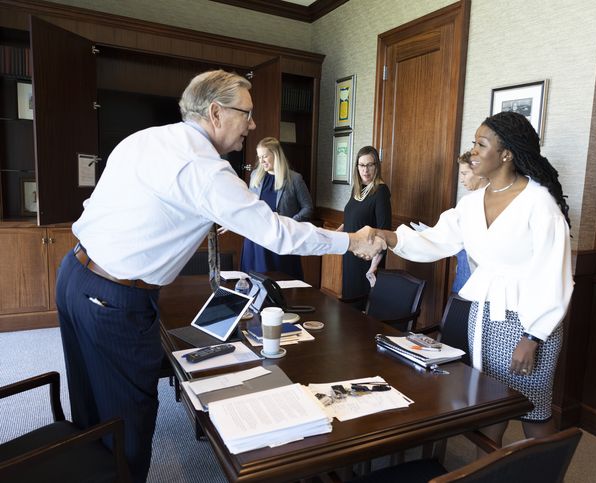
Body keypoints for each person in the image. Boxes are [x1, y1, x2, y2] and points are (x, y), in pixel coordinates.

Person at [54, 69, 382, 483]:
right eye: (246, 112)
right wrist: (350, 241)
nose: (253, 124)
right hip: (113, 297)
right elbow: (276, 232)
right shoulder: (205, 168)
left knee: (90, 411)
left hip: (75, 275)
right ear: (215, 112)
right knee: (127, 421)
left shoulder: (147, 138)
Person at [370, 111, 573, 444]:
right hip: (484, 318)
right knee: (489, 405)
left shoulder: (539, 204)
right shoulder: (471, 203)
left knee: (533, 410)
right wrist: (388, 236)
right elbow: (435, 240)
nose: (473, 152)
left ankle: (545, 468)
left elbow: (556, 277)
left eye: (481, 144)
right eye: (473, 144)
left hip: (530, 323)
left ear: (506, 154)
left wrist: (533, 337)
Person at [241, 136, 313, 279]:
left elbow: (308, 208)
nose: (261, 161)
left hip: (282, 240)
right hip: (256, 242)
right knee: (254, 284)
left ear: (276, 155)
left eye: (265, 156)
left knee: (282, 284)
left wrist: (289, 224)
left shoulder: (295, 179)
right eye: (259, 157)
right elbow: (249, 206)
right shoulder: (255, 176)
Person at [338, 146, 392, 308]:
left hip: (367, 260)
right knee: (349, 305)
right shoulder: (358, 188)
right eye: (362, 165)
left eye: (370, 165)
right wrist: (334, 234)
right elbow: (351, 218)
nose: (365, 170)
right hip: (350, 255)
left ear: (377, 166)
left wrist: (373, 267)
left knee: (362, 308)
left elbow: (384, 231)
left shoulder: (381, 191)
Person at [451, 151, 486, 293]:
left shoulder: (489, 203)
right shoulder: (468, 202)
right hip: (463, 267)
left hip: (477, 274)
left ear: (480, 172)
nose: (461, 179)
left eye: (465, 174)